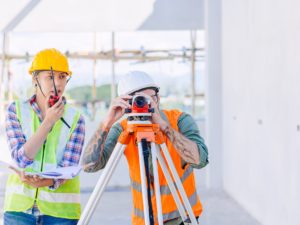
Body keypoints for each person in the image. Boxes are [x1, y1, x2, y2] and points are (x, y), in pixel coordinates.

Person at [82, 71, 208, 225]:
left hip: (183, 217)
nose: (146, 104)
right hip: (143, 221)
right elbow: (89, 166)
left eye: (151, 98)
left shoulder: (180, 120)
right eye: (138, 99)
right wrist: (107, 122)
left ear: (158, 98)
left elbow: (200, 160)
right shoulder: (122, 130)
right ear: (125, 103)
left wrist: (163, 127)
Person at [4, 48, 85, 225]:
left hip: (61, 214)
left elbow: (69, 167)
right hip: (19, 211)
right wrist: (48, 122)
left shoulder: (76, 119)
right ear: (35, 79)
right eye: (50, 77)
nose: (58, 83)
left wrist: (48, 181)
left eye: (62, 77)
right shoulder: (15, 110)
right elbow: (22, 159)